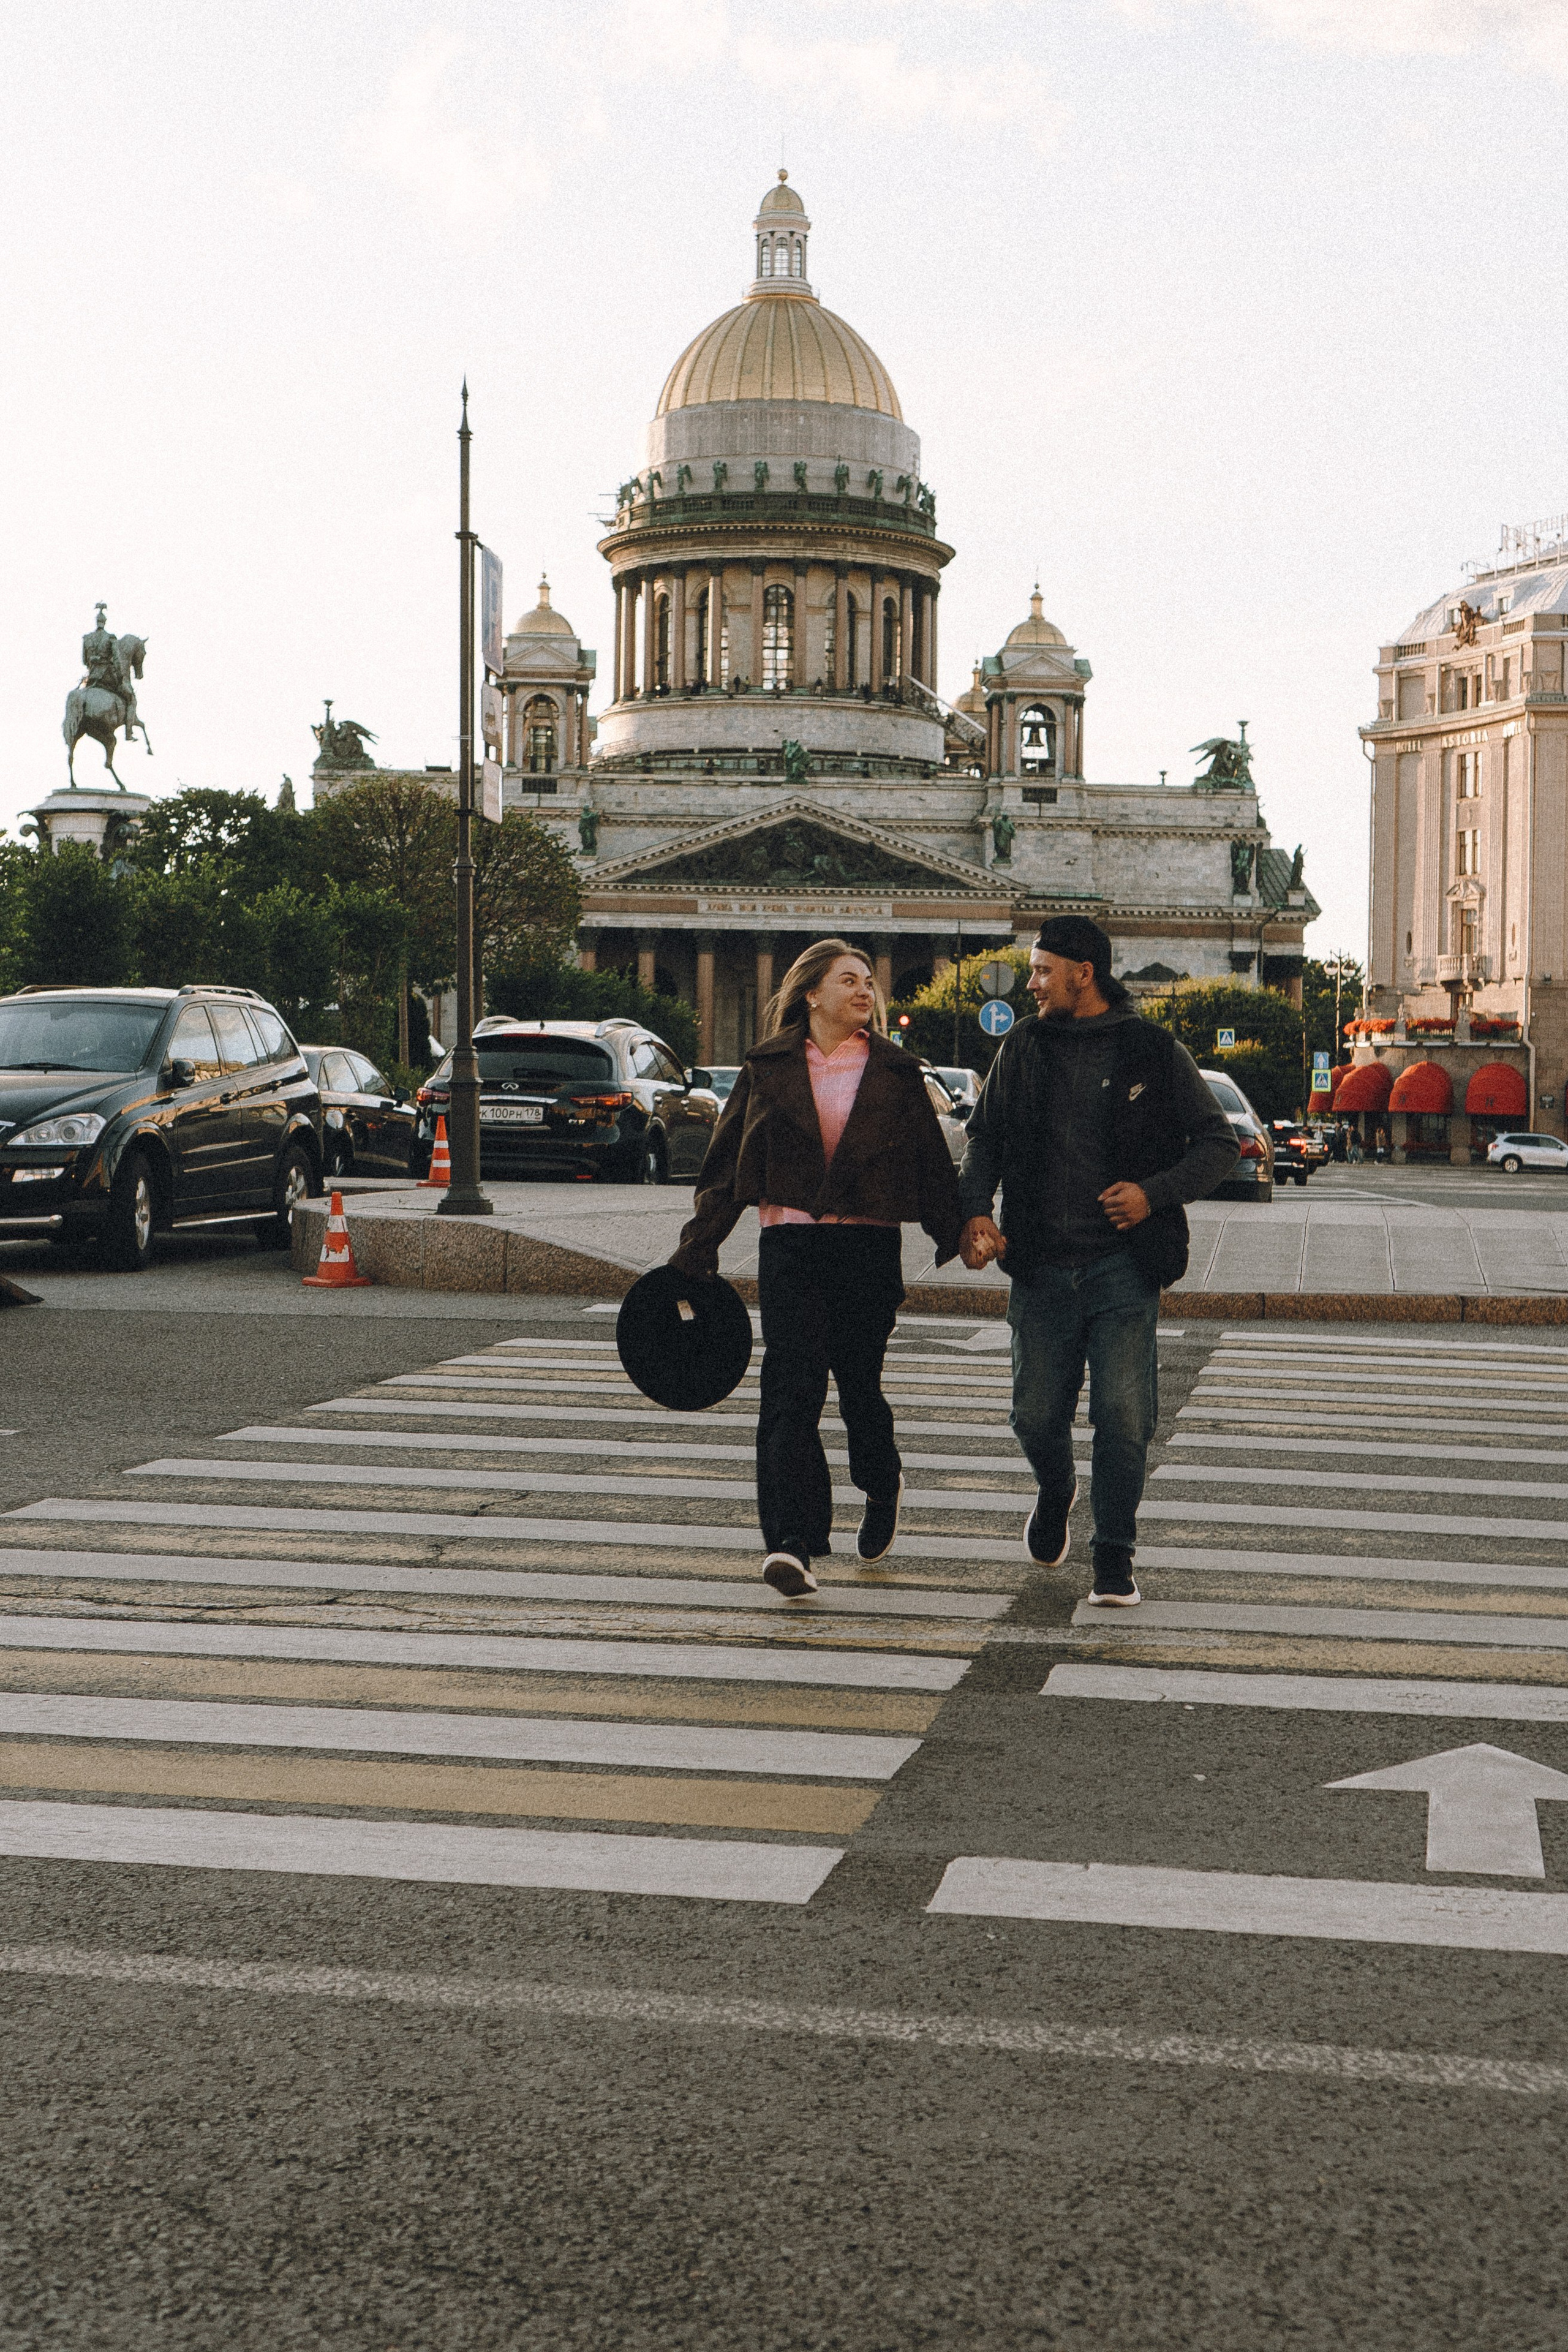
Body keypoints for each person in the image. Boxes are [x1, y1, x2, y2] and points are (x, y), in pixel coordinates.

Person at [958, 915, 1238, 1607]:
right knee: (1033, 1416)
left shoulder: (1151, 1050)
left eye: (1041, 970)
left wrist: (1153, 1194)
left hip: (1122, 1266)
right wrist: (974, 1213)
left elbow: (1218, 1144)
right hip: (1040, 1263)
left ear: (1084, 973)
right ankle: (1056, 1490)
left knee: (1123, 1415)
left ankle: (1113, 1554)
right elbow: (984, 1139)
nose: (1031, 983)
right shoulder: (1022, 1046)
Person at [670, 938, 963, 1597]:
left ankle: (881, 1484)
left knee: (859, 1387)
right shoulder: (769, 1066)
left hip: (865, 1250)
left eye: (868, 982)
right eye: (849, 981)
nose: (866, 991)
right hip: (791, 1248)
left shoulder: (893, 1071)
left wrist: (963, 1231)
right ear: (811, 993)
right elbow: (724, 1166)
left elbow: (930, 1165)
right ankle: (791, 1544)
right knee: (790, 1391)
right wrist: (698, 1247)